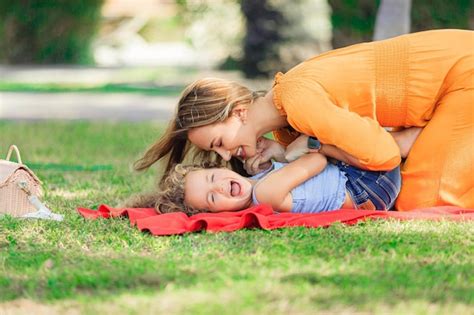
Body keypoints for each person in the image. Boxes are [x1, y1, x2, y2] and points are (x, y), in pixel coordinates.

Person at [134, 29, 474, 210]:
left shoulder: (298, 102)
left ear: (238, 112)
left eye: (220, 144)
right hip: (442, 88)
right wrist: (283, 153)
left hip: (462, 73)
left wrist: (313, 146)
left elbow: (384, 157)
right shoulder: (286, 125)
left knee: (421, 200)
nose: (225, 157)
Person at [126, 136, 402, 215]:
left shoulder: (260, 184)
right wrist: (284, 152)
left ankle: (398, 140)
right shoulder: (266, 195)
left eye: (212, 179)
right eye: (212, 199)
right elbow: (316, 160)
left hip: (363, 184)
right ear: (218, 214)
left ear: (220, 168)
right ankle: (401, 142)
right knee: (318, 136)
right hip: (367, 186)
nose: (220, 188)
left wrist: (267, 166)